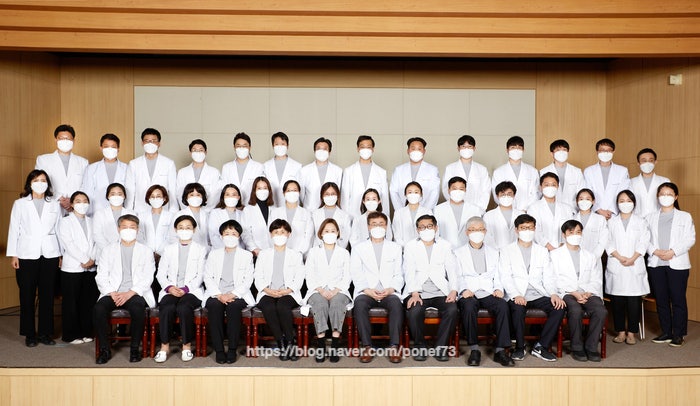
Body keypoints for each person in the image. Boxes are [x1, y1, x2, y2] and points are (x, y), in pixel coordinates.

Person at [6, 170, 62, 347]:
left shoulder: (54, 204)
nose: (40, 183)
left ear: (48, 184)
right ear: (29, 183)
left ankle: (45, 333)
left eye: (43, 180)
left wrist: (60, 253)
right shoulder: (20, 204)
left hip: (50, 254)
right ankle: (29, 333)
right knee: (27, 295)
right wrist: (14, 254)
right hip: (26, 254)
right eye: (36, 180)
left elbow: (59, 229)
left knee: (47, 295)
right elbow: (14, 229)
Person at [499, 214, 564, 362]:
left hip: (538, 292)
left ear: (535, 229)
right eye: (523, 228)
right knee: (517, 309)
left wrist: (553, 294)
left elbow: (548, 276)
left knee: (559, 307)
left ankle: (541, 346)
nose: (527, 231)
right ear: (516, 230)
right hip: (518, 293)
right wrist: (516, 295)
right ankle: (519, 347)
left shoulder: (542, 251)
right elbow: (505, 277)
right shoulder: (506, 250)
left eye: (530, 227)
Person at [93, 214, 156, 364]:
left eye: (132, 227)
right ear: (118, 229)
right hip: (112, 292)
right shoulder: (108, 250)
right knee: (98, 309)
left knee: (138, 309)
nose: (128, 230)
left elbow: (148, 277)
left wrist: (130, 293)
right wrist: (112, 292)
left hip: (134, 292)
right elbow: (101, 275)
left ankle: (134, 349)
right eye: (125, 227)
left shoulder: (146, 251)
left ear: (138, 230)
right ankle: (104, 350)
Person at [456, 217, 514, 367]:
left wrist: (498, 288)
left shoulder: (494, 252)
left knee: (502, 306)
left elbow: (499, 274)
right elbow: (457, 275)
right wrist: (463, 289)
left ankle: (500, 351)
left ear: (485, 231)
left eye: (480, 229)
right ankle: (474, 349)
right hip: (469, 290)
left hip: (488, 290)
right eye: (473, 230)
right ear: (467, 232)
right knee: (469, 307)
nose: (477, 232)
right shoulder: (457, 253)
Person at [403, 215, 458, 362]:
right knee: (414, 311)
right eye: (422, 227)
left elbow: (452, 270)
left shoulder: (445, 245)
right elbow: (408, 271)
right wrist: (414, 293)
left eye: (429, 226)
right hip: (418, 291)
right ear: (417, 230)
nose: (426, 229)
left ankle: (441, 348)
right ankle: (420, 346)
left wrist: (453, 290)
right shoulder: (410, 246)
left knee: (452, 310)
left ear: (436, 228)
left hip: (441, 291)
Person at [350, 211, 404, 364]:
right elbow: (356, 273)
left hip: (388, 291)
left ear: (386, 226)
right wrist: (367, 290)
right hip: (367, 291)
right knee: (359, 304)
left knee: (396, 304)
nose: (378, 227)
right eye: (374, 224)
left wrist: (391, 289)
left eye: (381, 224)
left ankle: (394, 347)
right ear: (368, 227)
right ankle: (367, 346)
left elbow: (399, 274)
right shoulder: (358, 248)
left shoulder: (395, 247)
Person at [647, 182, 696, 347]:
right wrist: (655, 251)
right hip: (657, 263)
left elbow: (690, 238)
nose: (665, 197)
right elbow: (644, 239)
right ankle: (666, 332)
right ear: (657, 197)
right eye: (662, 194)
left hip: (677, 264)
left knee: (678, 299)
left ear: (676, 197)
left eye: (669, 194)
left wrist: (673, 251)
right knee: (661, 300)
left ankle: (678, 334)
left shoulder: (685, 216)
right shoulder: (650, 217)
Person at [550, 220, 607, 362]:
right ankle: (577, 347)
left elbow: (596, 278)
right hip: (567, 292)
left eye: (578, 232)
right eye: (571, 232)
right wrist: (574, 292)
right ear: (564, 235)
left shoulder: (589, 256)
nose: (575, 235)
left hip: (587, 292)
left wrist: (588, 292)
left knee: (600, 311)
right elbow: (554, 278)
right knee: (575, 310)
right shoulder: (555, 255)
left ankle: (591, 347)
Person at [154, 215, 206, 363]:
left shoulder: (200, 250)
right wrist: (169, 287)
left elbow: (201, 274)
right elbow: (161, 273)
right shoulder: (168, 249)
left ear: (194, 230)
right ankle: (165, 346)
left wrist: (186, 288)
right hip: (171, 289)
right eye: (181, 228)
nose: (184, 230)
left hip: (191, 290)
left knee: (184, 308)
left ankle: (186, 346)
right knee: (167, 307)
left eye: (188, 227)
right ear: (175, 230)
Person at [203, 220, 255, 364]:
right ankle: (219, 350)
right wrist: (219, 295)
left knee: (233, 308)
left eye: (233, 233)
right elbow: (207, 277)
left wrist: (232, 294)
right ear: (221, 236)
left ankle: (232, 349)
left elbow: (248, 280)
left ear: (239, 236)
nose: (230, 236)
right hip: (216, 294)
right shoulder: (213, 255)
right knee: (214, 306)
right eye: (227, 233)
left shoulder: (246, 256)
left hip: (237, 295)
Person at [254, 219, 305, 361]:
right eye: (276, 232)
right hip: (267, 291)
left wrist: (287, 290)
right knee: (269, 307)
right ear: (271, 234)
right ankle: (280, 342)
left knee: (282, 306)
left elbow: (300, 276)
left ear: (289, 234)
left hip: (288, 292)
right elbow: (258, 275)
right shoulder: (264, 254)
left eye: (283, 232)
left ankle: (290, 343)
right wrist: (267, 290)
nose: (279, 235)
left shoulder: (296, 255)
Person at [304, 218, 352, 363]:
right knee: (320, 304)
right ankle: (321, 345)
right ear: (321, 233)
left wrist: (335, 291)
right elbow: (309, 275)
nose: (330, 233)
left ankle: (335, 346)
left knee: (337, 304)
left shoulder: (344, 253)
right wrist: (321, 290)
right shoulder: (313, 252)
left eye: (333, 231)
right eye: (326, 231)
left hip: (339, 290)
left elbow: (347, 276)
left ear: (338, 233)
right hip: (317, 290)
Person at [606, 190, 650, 345]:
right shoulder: (611, 222)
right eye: (622, 201)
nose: (625, 204)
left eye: (628, 201)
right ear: (617, 204)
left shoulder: (641, 221)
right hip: (617, 264)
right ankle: (620, 332)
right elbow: (607, 242)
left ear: (634, 203)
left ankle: (631, 333)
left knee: (633, 302)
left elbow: (644, 242)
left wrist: (633, 258)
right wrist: (619, 257)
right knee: (617, 302)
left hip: (634, 264)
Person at [57, 191, 98, 344]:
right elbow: (68, 244)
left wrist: (92, 259)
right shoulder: (65, 222)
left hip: (90, 268)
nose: (82, 204)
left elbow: (97, 242)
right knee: (71, 302)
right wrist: (84, 259)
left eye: (85, 201)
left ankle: (86, 332)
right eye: (78, 201)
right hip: (72, 267)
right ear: (72, 204)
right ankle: (71, 335)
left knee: (88, 302)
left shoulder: (92, 221)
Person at [35, 124, 88, 213]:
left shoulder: (83, 162)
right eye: (61, 138)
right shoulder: (43, 160)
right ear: (56, 140)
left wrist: (73, 200)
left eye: (68, 139)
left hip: (75, 208)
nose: (65, 141)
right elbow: (40, 182)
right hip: (52, 206)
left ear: (74, 141)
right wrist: (59, 197)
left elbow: (85, 185)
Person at [137, 184, 175, 299]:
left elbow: (171, 236)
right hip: (146, 254)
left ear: (164, 198)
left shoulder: (171, 216)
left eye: (158, 196)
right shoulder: (141, 216)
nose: (155, 199)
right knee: (148, 281)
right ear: (148, 199)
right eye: (152, 196)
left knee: (163, 280)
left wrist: (160, 252)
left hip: (164, 254)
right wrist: (150, 252)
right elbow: (140, 236)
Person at [126, 128, 177, 212]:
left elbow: (172, 190)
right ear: (142, 143)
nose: (150, 143)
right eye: (147, 141)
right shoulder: (133, 164)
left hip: (163, 209)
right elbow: (130, 190)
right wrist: (129, 211)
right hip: (140, 209)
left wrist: (173, 211)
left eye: (153, 141)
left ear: (159, 143)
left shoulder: (169, 163)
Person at [341, 135, 390, 218]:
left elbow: (384, 199)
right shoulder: (348, 171)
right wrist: (346, 219)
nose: (365, 150)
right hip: (354, 215)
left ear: (373, 149)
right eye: (362, 147)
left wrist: (385, 218)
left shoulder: (381, 172)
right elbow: (344, 198)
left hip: (375, 217)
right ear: (358, 149)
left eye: (368, 147)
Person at [81, 133, 129, 215]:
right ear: (101, 148)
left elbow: (129, 193)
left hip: (121, 212)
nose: (110, 149)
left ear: (118, 149)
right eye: (106, 147)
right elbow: (87, 192)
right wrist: (88, 213)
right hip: (97, 211)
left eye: (113, 147)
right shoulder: (91, 169)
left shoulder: (127, 168)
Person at [526, 172, 575, 251]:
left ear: (558, 186)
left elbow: (570, 229)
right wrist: (550, 247)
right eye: (546, 185)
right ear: (540, 187)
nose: (550, 187)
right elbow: (535, 230)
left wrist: (561, 247)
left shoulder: (567, 208)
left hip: (562, 250)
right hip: (541, 250)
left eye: (553, 185)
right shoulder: (533, 208)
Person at [583, 138, 630, 220]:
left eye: (608, 150)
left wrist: (611, 210)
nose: (605, 153)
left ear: (613, 152)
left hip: (614, 214)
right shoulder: (588, 171)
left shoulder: (622, 171)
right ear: (597, 152)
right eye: (602, 150)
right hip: (595, 213)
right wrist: (599, 210)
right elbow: (587, 192)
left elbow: (623, 192)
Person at [442, 135, 491, 212]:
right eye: (463, 146)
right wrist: (455, 204)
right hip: (455, 208)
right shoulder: (450, 168)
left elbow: (486, 191)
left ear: (474, 148)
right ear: (458, 148)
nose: (466, 149)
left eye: (469, 146)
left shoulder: (482, 169)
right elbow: (446, 189)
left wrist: (479, 209)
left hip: (477, 210)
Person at [389, 137, 440, 210]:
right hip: (402, 210)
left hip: (425, 212)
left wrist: (424, 211)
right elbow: (393, 191)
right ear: (408, 151)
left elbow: (434, 193)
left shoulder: (432, 170)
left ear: (424, 151)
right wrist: (401, 210)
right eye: (413, 149)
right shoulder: (398, 170)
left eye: (419, 149)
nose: (416, 151)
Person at [491, 136, 539, 211]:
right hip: (506, 210)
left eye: (519, 148)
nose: (516, 150)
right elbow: (496, 194)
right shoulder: (498, 172)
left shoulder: (532, 171)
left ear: (523, 150)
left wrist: (526, 210)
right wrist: (507, 207)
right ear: (507, 150)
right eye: (513, 147)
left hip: (527, 212)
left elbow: (536, 193)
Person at [433, 176, 482, 249]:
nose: (458, 191)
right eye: (454, 189)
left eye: (461, 189)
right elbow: (436, 233)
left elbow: (479, 231)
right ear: (448, 190)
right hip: (446, 250)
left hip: (468, 249)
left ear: (465, 190)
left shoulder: (475, 209)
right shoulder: (438, 209)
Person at [93, 183, 136, 263]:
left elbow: (135, 234)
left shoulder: (132, 213)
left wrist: (123, 250)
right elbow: (97, 235)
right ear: (108, 196)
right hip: (105, 255)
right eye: (113, 194)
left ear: (124, 196)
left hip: (126, 254)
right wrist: (110, 251)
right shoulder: (99, 214)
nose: (116, 197)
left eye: (120, 194)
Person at [269, 180, 314, 256]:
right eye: (289, 190)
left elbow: (308, 236)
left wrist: (299, 253)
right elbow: (270, 234)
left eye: (295, 190)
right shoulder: (275, 212)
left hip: (300, 253)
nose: (292, 193)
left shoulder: (306, 213)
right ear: (284, 193)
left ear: (299, 192)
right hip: (278, 252)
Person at [176, 139, 221, 211]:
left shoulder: (214, 172)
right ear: (190, 153)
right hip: (187, 211)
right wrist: (188, 210)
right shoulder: (182, 172)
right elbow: (179, 193)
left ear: (206, 152)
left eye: (201, 150)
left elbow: (215, 195)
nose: (198, 153)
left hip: (207, 211)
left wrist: (205, 210)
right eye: (194, 150)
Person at [220, 132, 265, 205]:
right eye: (238, 146)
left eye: (244, 146)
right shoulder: (226, 167)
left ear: (250, 147)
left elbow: (261, 189)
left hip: (252, 206)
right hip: (232, 206)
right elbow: (224, 189)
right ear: (234, 147)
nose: (241, 148)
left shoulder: (258, 167)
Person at [299, 137, 343, 210]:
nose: (321, 151)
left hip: (330, 210)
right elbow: (302, 194)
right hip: (310, 209)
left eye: (325, 149)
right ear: (314, 151)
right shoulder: (304, 170)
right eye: (318, 149)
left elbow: (338, 192)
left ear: (329, 152)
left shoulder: (338, 171)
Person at [539, 139, 585, 207]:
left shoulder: (577, 172)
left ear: (568, 152)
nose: (561, 152)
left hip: (572, 209)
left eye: (564, 150)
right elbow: (540, 194)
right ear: (552, 154)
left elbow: (582, 193)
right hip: (551, 208)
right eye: (558, 150)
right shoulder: (543, 172)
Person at [573, 188, 609, 274]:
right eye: (581, 199)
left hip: (594, 260)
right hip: (575, 260)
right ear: (577, 201)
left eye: (588, 199)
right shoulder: (572, 219)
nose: (584, 201)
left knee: (593, 281)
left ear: (593, 201)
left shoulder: (600, 219)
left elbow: (602, 242)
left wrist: (593, 258)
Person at [263, 132, 302, 207]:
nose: (280, 147)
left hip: (292, 206)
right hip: (271, 206)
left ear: (288, 146)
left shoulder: (297, 166)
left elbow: (301, 191)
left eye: (283, 144)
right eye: (277, 144)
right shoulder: (266, 166)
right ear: (273, 146)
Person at [311, 182, 353, 249]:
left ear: (337, 196)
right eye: (327, 194)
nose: (330, 196)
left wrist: (336, 249)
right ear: (322, 196)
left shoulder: (345, 216)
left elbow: (345, 237)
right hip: (317, 250)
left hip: (338, 251)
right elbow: (312, 236)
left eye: (333, 194)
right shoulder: (314, 214)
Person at [630, 148, 670, 218]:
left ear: (655, 162)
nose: (647, 163)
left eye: (651, 160)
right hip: (637, 219)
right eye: (644, 161)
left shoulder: (665, 181)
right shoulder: (631, 182)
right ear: (638, 163)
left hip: (659, 219)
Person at [483, 181, 523, 250]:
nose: (506, 197)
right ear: (497, 196)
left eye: (509, 194)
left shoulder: (522, 214)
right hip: (496, 252)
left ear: (514, 195)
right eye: (503, 194)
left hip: (517, 252)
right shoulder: (488, 216)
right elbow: (487, 237)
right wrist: (497, 252)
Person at [241, 176, 274, 257]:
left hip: (273, 251)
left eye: (265, 188)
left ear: (269, 190)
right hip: (256, 253)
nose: (262, 191)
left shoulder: (274, 209)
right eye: (259, 188)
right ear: (254, 191)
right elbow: (245, 233)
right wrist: (254, 248)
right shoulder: (248, 210)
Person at [392, 181, 432, 247]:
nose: (413, 195)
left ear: (421, 194)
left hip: (423, 248)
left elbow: (431, 232)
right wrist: (407, 248)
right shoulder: (398, 213)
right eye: (410, 192)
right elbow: (397, 235)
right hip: (404, 249)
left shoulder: (428, 212)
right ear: (405, 195)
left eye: (416, 192)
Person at [207, 184, 245, 250]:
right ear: (223, 197)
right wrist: (226, 250)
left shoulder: (242, 214)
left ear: (238, 197)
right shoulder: (215, 213)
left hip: (239, 251)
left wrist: (239, 250)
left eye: (234, 195)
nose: (231, 197)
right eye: (227, 195)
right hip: (219, 250)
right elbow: (213, 236)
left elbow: (244, 236)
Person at [174, 183, 210, 249]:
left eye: (198, 195)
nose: (195, 197)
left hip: (206, 251)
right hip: (186, 250)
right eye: (191, 195)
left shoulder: (207, 215)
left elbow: (210, 237)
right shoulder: (179, 215)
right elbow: (172, 237)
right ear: (186, 197)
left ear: (203, 197)